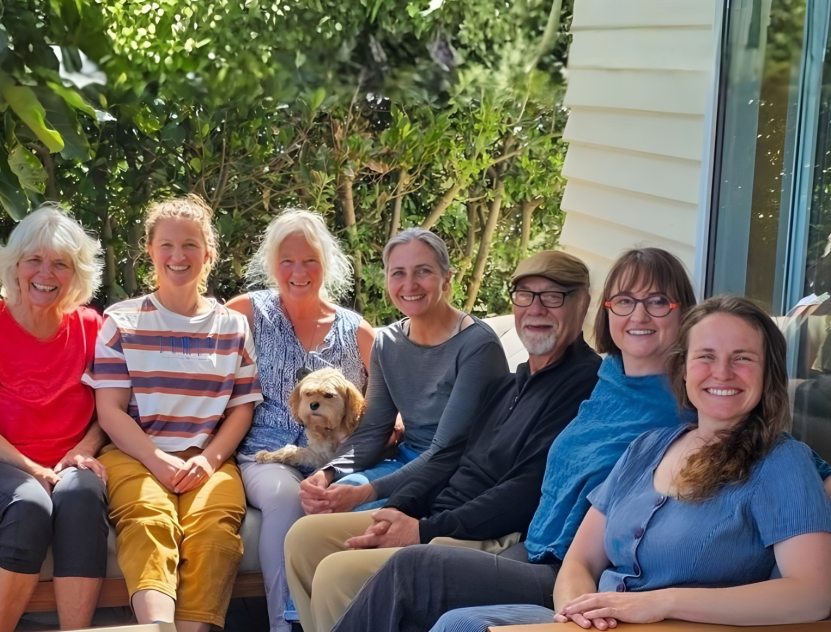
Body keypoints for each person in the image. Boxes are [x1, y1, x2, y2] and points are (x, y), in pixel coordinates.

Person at [329, 247, 697, 632]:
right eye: (624, 301)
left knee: (415, 570)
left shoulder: (682, 405)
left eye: (657, 302)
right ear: (606, 310)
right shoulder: (610, 380)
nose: (638, 315)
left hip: (579, 573)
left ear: (683, 311)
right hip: (537, 548)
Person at [426, 295, 831, 632]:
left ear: (768, 373)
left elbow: (811, 594)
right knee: (460, 624)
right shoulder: (647, 448)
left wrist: (662, 604)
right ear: (685, 369)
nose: (721, 372)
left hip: (680, 627)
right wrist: (578, 615)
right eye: (705, 356)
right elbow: (581, 560)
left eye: (742, 358)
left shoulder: (781, 463)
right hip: (604, 625)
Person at [285, 249, 602, 632]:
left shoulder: (583, 387)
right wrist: (399, 508)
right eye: (525, 295)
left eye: (552, 296)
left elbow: (523, 492)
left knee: (337, 573)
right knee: (303, 539)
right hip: (438, 514)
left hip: (488, 534)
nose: (536, 309)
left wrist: (421, 530)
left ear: (582, 303)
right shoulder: (509, 385)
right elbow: (450, 454)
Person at [82, 195, 262, 632]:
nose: (178, 256)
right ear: (150, 251)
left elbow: (241, 410)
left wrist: (209, 459)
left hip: (208, 457)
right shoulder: (120, 320)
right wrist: (155, 459)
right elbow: (110, 410)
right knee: (149, 519)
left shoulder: (232, 327)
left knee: (216, 533)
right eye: (166, 244)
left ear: (209, 254)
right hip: (134, 453)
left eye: (190, 245)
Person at [0, 206, 109, 632]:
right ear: (14, 265)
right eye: (34, 260)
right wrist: (33, 470)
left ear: (76, 274)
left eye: (60, 263)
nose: (45, 273)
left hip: (69, 461)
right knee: (31, 503)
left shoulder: (93, 326)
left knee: (80, 495)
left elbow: (109, 410)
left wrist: (82, 451)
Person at [225, 209, 375, 632]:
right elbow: (206, 375)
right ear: (273, 265)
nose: (298, 271)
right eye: (287, 260)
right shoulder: (247, 313)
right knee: (285, 499)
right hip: (267, 455)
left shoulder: (356, 330)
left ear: (326, 264)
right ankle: (284, 626)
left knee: (349, 501)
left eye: (309, 260)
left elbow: (388, 402)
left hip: (338, 458)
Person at [297, 228, 509, 516]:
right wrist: (328, 473)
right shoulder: (388, 343)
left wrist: (364, 493)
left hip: (455, 476)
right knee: (325, 502)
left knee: (351, 517)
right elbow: (372, 431)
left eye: (423, 271)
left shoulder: (478, 347)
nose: (410, 284)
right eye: (398, 273)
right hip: (403, 463)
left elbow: (446, 450)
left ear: (447, 279)